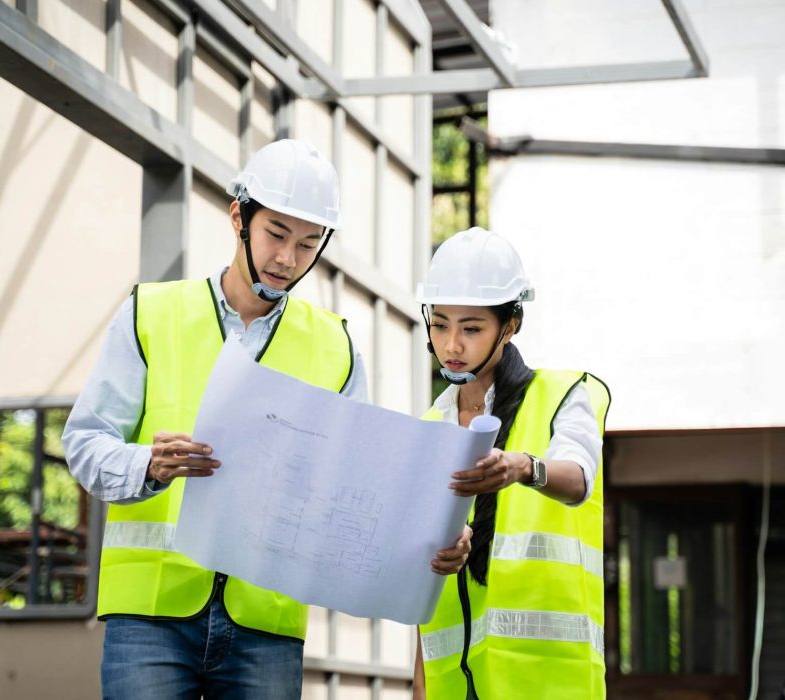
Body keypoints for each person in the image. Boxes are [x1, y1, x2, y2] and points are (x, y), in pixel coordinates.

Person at [63, 139, 471, 699]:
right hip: (150, 615)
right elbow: (85, 443)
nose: (287, 259)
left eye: (308, 244)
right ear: (239, 217)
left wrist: (434, 535)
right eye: (277, 234)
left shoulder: (337, 347)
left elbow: (359, 485)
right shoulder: (150, 313)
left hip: (267, 625)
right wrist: (149, 465)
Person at [412, 227, 611, 700]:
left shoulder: (564, 394)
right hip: (453, 685)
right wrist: (419, 687)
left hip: (548, 682)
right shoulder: (427, 426)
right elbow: (421, 581)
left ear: (511, 324)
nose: (452, 345)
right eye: (440, 325)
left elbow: (577, 479)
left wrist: (524, 468)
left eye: (471, 327)